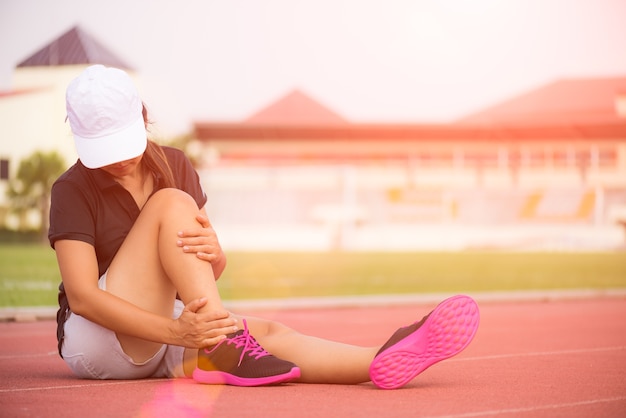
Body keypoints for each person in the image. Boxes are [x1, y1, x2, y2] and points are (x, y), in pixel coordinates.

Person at [49, 64, 480, 389]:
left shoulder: (175, 165)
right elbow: (84, 298)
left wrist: (214, 255)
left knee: (272, 334)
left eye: (122, 141)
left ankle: (379, 358)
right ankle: (220, 347)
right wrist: (179, 331)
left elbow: (204, 278)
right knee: (170, 206)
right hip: (99, 340)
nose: (117, 159)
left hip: (165, 331)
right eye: (102, 149)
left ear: (142, 117)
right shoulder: (72, 188)